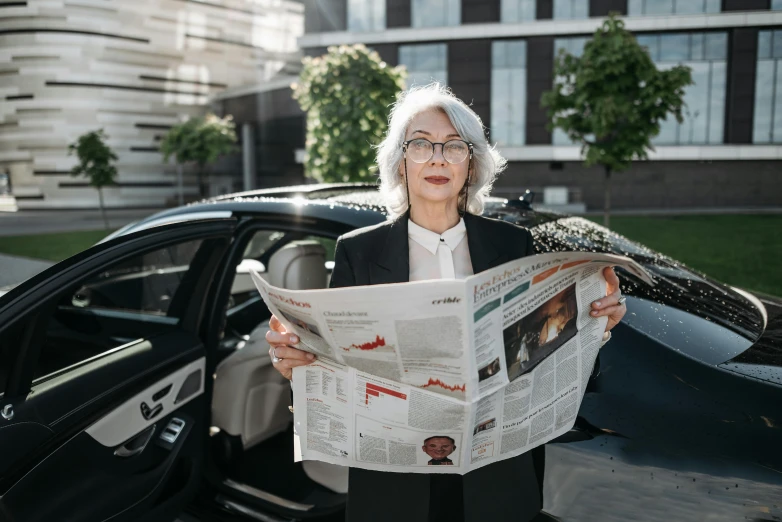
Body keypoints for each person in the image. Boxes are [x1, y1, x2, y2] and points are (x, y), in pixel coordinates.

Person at [266, 83, 627, 522]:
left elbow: (541, 353)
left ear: (470, 165)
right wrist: (296, 366)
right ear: (400, 162)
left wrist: (596, 329)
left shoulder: (513, 244)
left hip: (493, 478)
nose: (437, 158)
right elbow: (336, 366)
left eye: (454, 146)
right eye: (421, 144)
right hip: (395, 486)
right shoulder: (357, 252)